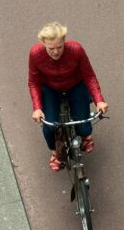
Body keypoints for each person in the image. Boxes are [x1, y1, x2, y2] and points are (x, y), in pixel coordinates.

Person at [28, 22, 109, 171]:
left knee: (83, 123)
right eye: (51, 48)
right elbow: (34, 82)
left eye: (59, 47)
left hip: (75, 85)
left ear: (64, 41)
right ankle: (54, 152)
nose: (56, 52)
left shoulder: (76, 50)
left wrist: (99, 100)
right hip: (50, 88)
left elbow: (89, 76)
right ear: (43, 44)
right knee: (50, 126)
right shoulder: (35, 54)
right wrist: (37, 108)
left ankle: (86, 137)